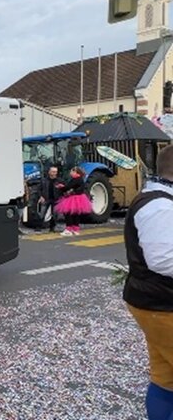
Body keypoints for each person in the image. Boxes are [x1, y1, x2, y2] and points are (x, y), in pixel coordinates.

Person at [123, 144, 173, 420]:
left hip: (155, 302)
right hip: (163, 304)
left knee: (166, 377)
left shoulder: (160, 199)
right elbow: (165, 260)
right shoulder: (160, 205)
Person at [54, 166, 92, 236]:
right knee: (76, 214)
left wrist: (61, 187)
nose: (70, 172)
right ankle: (75, 229)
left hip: (73, 198)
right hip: (80, 198)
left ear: (76, 172)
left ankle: (68, 229)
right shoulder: (80, 179)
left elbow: (68, 187)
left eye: (72, 171)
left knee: (68, 213)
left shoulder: (75, 179)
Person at [38, 166, 64, 232]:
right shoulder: (44, 180)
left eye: (56, 172)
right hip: (46, 198)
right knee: (42, 213)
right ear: (49, 172)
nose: (55, 173)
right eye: (53, 171)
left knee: (54, 214)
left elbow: (63, 189)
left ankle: (52, 228)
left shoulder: (60, 181)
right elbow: (39, 189)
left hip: (56, 199)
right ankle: (38, 227)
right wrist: (41, 196)